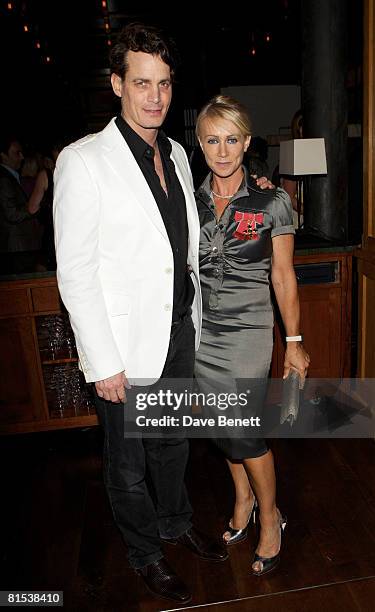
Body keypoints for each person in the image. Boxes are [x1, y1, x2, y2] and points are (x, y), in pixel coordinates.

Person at [53, 23, 231, 605]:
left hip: (178, 331)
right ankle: (144, 552)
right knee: (127, 461)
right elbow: (75, 272)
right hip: (123, 347)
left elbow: (180, 244)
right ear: (117, 85)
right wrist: (101, 360)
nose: (155, 96)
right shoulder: (82, 161)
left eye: (164, 83)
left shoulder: (178, 153)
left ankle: (176, 521)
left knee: (173, 442)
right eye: (142, 83)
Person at [194, 95, 310, 575]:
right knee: (219, 429)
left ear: (247, 142)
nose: (223, 151)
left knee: (243, 430)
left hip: (248, 332)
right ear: (200, 144)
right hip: (201, 333)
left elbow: (283, 276)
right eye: (212, 140)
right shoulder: (187, 197)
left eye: (232, 139)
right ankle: (242, 500)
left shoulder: (272, 200)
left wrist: (295, 343)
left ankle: (270, 518)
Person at [0, 136, 43, 274]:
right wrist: (33, 208)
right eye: (16, 153)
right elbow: (11, 213)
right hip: (16, 248)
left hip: (21, 247)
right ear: (3, 155)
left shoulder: (11, 176)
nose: (22, 157)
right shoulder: (3, 179)